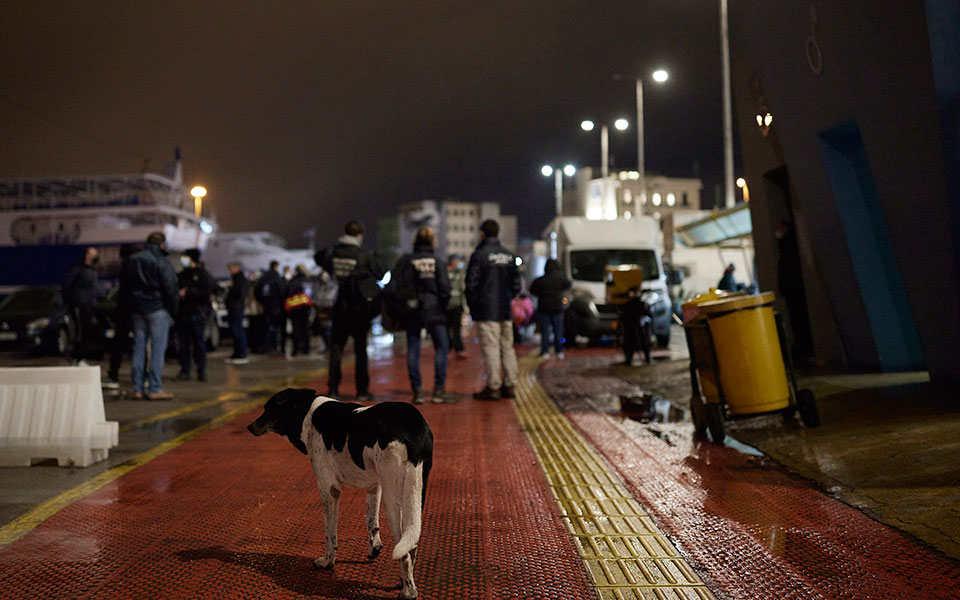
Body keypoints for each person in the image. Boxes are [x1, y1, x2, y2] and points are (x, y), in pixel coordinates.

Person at [316, 220, 386, 401]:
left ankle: (333, 389)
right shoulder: (363, 255)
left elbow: (318, 258)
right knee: (360, 351)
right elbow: (382, 272)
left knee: (336, 350)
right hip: (359, 311)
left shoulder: (333, 252)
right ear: (360, 235)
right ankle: (362, 391)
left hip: (339, 309)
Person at [393, 227, 455, 404]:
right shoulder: (438, 262)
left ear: (415, 241)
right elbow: (445, 289)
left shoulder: (406, 260)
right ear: (432, 242)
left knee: (413, 348)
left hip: (412, 310)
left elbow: (397, 285)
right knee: (442, 347)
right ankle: (438, 390)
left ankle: (418, 391)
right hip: (435, 311)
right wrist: (443, 307)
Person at [466, 219, 521, 401]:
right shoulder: (509, 256)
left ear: (482, 234)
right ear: (498, 234)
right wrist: (507, 298)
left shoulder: (480, 255)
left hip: (486, 310)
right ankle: (510, 384)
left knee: (491, 348)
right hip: (505, 310)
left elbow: (471, 284)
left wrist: (474, 306)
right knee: (507, 347)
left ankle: (493, 387)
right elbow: (516, 285)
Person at [121, 232, 179, 399]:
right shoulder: (161, 260)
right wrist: (173, 309)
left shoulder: (133, 259)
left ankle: (138, 388)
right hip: (157, 308)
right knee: (157, 350)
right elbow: (170, 286)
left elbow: (124, 285)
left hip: (138, 309)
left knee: (138, 348)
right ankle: (154, 388)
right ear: (162, 244)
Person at [776, 219, 814, 359]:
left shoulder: (788, 247)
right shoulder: (787, 246)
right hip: (791, 289)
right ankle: (802, 347)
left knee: (798, 319)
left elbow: (786, 269)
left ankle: (803, 348)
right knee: (797, 319)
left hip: (792, 289)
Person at [175, 249, 214, 381]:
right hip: (183, 314)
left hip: (197, 314)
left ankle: (201, 370)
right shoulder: (181, 275)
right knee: (183, 344)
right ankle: (185, 370)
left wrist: (188, 293)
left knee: (198, 343)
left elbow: (206, 294)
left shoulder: (202, 275)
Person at [105, 243, 139, 388]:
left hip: (124, 310)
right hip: (135, 310)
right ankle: (139, 376)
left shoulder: (125, 266)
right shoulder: (137, 265)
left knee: (119, 343)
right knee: (138, 343)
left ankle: (113, 374)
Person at [62, 246, 100, 366]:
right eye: (93, 254)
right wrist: (70, 302)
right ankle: (77, 357)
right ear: (87, 255)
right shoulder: (78, 269)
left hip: (88, 306)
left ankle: (80, 357)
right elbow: (66, 287)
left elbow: (93, 290)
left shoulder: (93, 271)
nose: (96, 256)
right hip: (78, 305)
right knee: (79, 331)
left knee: (86, 332)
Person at [530, 258, 571, 358]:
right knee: (558, 331)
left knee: (545, 332)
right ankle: (559, 351)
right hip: (557, 308)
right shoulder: (560, 279)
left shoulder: (541, 280)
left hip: (543, 308)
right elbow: (568, 284)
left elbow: (532, 290)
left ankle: (545, 351)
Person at [255, 260, 287, 354]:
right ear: (276, 266)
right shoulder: (277, 277)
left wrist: (262, 302)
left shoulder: (263, 278)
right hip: (276, 306)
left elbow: (257, 292)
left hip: (266, 306)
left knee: (266, 327)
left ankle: (266, 346)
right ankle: (274, 346)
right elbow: (282, 291)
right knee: (276, 327)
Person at [285, 264, 313, 356]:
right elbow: (310, 294)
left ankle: (296, 349)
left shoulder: (293, 280)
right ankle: (306, 349)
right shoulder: (308, 280)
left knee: (296, 329)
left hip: (295, 308)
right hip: (305, 307)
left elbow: (288, 293)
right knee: (305, 328)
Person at [225, 261, 249, 364]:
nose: (230, 271)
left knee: (238, 330)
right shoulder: (236, 279)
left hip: (236, 308)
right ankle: (237, 353)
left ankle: (241, 353)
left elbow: (240, 294)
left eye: (231, 268)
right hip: (234, 308)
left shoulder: (240, 280)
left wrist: (231, 290)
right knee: (235, 331)